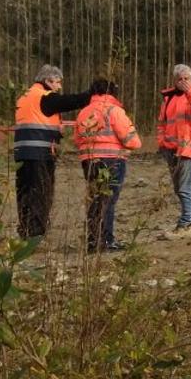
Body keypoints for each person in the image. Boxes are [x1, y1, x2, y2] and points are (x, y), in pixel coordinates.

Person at [13, 64, 92, 241]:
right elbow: (69, 101)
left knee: (24, 192)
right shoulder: (45, 97)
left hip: (22, 153)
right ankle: (35, 233)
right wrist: (91, 94)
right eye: (57, 82)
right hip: (39, 154)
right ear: (47, 81)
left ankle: (25, 229)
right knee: (41, 191)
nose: (59, 87)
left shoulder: (25, 96)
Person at [73, 78, 142, 253]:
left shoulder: (83, 112)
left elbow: (77, 139)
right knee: (108, 201)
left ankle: (93, 240)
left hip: (88, 161)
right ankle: (106, 240)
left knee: (95, 200)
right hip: (112, 159)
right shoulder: (114, 110)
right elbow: (131, 140)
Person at [156, 63, 191, 236]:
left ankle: (185, 225)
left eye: (186, 79)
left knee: (184, 188)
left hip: (189, 151)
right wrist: (162, 142)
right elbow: (162, 123)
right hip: (172, 150)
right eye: (180, 79)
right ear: (175, 80)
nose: (183, 82)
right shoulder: (169, 99)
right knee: (180, 188)